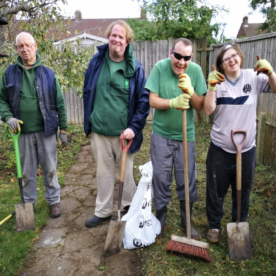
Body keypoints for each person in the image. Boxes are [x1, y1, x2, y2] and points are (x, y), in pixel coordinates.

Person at [204, 44, 276, 243]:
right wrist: (210, 88)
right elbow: (208, 110)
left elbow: (275, 87)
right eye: (226, 59)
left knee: (243, 189)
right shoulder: (216, 81)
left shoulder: (253, 77)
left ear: (240, 57)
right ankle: (214, 225)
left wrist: (270, 72)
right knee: (215, 189)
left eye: (234, 55)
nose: (232, 60)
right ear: (221, 65)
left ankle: (239, 221)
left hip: (246, 149)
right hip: (220, 147)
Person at [83, 20, 150, 228]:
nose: (116, 40)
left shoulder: (135, 68)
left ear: (127, 41)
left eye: (121, 37)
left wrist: (134, 127)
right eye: (113, 35)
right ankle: (103, 211)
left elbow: (143, 101)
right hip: (99, 132)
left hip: (124, 134)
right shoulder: (96, 62)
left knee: (126, 174)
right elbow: (87, 91)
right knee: (103, 173)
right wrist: (90, 118)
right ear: (108, 37)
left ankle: (129, 207)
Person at [0, 32, 68, 218]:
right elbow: (2, 100)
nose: (24, 49)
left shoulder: (48, 74)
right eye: (20, 46)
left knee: (50, 169)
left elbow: (60, 102)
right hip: (21, 133)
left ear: (35, 46)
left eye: (28, 45)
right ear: (16, 49)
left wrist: (63, 129)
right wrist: (7, 117)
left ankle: (54, 201)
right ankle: (28, 204)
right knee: (27, 172)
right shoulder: (9, 73)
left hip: (46, 131)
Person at [145, 38, 207, 239]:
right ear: (171, 52)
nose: (181, 62)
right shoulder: (160, 68)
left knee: (186, 178)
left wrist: (190, 91)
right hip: (161, 135)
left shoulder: (195, 71)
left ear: (191, 57)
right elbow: (152, 99)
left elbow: (200, 106)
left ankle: (186, 220)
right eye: (178, 56)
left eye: (186, 58)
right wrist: (173, 102)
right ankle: (160, 219)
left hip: (185, 136)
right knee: (161, 178)